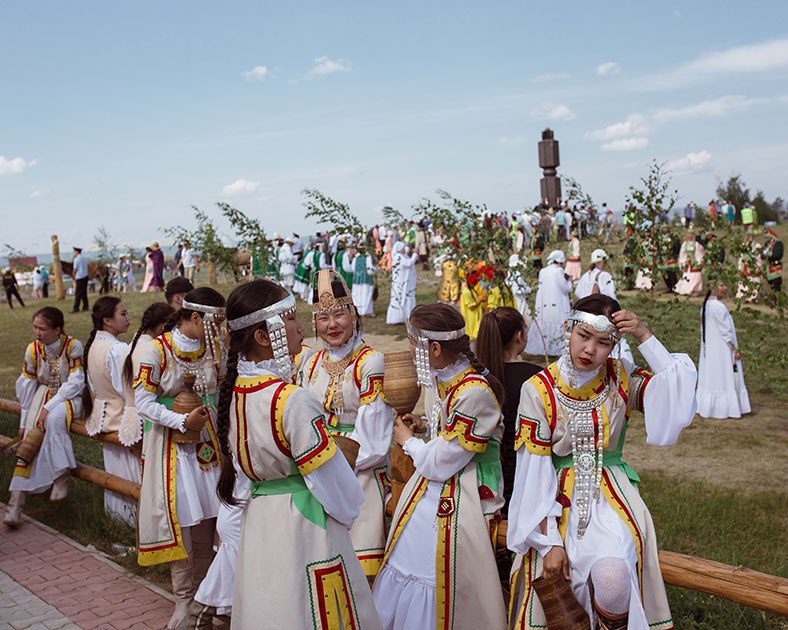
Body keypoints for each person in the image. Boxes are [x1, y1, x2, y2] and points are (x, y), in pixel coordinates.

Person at [507, 295, 698, 630]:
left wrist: (643, 335)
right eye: (583, 336)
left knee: (614, 581)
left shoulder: (620, 376)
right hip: (553, 504)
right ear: (568, 329)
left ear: (614, 345)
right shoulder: (539, 389)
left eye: (603, 343)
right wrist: (548, 541)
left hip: (611, 501)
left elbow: (677, 394)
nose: (589, 350)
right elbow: (532, 472)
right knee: (560, 592)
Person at [214, 279, 382, 630]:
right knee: (312, 609)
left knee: (271, 605)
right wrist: (348, 515)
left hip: (260, 520)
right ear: (264, 336)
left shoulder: (235, 392)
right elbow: (333, 484)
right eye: (291, 318)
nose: (302, 327)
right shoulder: (291, 399)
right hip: (305, 524)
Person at [372, 303, 507, 630]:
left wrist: (407, 440)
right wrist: (422, 426)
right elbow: (448, 437)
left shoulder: (473, 392)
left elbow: (438, 465)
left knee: (429, 556)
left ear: (434, 348)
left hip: (468, 490)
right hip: (447, 476)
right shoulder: (446, 376)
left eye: (411, 341)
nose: (408, 348)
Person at [133, 288, 226, 629]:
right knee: (183, 521)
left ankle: (206, 599)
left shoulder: (214, 347)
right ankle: (183, 602)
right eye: (217, 320)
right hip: (172, 448)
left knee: (209, 521)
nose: (222, 327)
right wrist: (182, 420)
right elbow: (142, 402)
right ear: (196, 317)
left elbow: (223, 387)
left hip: (209, 446)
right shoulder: (155, 350)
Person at [299, 269, 393, 580]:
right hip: (319, 471)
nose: (332, 325)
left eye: (339, 314)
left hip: (360, 474)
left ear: (352, 314)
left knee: (360, 575)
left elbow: (374, 441)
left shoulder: (369, 361)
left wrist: (328, 464)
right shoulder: (309, 362)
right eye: (323, 318)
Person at [4, 307, 83, 527]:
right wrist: (23, 422)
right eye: (35, 327)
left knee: (55, 419)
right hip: (42, 396)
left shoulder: (73, 346)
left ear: (57, 329)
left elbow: (76, 381)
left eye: (43, 328)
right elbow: (27, 389)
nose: (37, 332)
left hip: (70, 397)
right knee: (28, 445)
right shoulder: (33, 350)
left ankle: (60, 476)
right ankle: (15, 505)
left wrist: (49, 406)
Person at [476, 307, 540, 516]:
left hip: (482, 478)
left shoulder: (475, 379)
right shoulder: (536, 378)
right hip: (525, 475)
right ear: (520, 335)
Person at [82, 297, 137, 526]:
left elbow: (95, 386)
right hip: (121, 418)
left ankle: (120, 526)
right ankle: (133, 529)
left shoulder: (94, 344)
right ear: (107, 320)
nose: (128, 318)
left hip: (103, 415)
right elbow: (127, 389)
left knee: (116, 475)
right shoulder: (117, 349)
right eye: (123, 314)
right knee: (130, 477)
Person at [119, 302, 174, 450]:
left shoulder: (129, 347)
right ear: (164, 326)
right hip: (151, 421)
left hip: (130, 418)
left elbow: (119, 385)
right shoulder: (155, 350)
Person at [696, 283, 750, 419]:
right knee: (722, 376)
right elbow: (726, 332)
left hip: (712, 348)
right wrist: (734, 349)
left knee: (713, 376)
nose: (725, 288)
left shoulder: (706, 306)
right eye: (721, 285)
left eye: (726, 285)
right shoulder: (718, 307)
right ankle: (723, 408)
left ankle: (711, 407)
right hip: (721, 349)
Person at [524, 250, 572, 357]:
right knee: (557, 320)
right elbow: (565, 288)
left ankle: (544, 347)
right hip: (557, 301)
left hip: (545, 302)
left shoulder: (543, 271)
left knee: (546, 319)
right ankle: (556, 347)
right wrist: (569, 283)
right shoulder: (558, 271)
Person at [386, 242, 418, 325]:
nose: (404, 249)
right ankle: (397, 318)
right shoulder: (398, 257)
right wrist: (414, 254)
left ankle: (406, 315)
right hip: (400, 283)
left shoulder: (403, 256)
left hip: (405, 282)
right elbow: (408, 263)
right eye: (403, 247)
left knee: (406, 297)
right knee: (400, 298)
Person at [675, 230, 705, 296]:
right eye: (688, 235)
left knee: (695, 276)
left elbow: (699, 253)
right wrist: (682, 262)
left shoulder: (696, 244)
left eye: (691, 235)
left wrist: (699, 261)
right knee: (687, 276)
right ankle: (686, 290)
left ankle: (693, 290)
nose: (689, 236)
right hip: (687, 262)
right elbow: (682, 253)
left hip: (694, 262)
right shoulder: (685, 244)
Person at [352, 248, 377, 317]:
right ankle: (366, 311)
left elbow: (353, 269)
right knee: (367, 295)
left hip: (357, 279)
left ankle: (358, 310)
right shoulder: (367, 257)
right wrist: (375, 270)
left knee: (358, 295)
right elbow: (370, 269)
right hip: (366, 279)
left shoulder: (355, 258)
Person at [763, 227, 784, 296]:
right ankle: (773, 300)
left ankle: (778, 300)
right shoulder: (767, 244)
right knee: (771, 285)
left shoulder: (778, 243)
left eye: (768, 237)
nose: (767, 239)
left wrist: (768, 254)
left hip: (775, 267)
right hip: (769, 267)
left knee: (776, 285)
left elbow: (777, 255)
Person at [71, 246, 89, 312]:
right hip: (85, 276)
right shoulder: (84, 258)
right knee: (84, 293)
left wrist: (73, 276)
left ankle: (76, 308)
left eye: (74, 252)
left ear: (77, 252)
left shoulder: (77, 259)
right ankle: (85, 306)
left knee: (78, 293)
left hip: (80, 277)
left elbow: (75, 269)